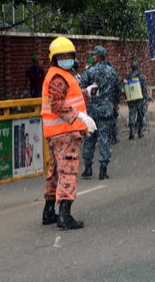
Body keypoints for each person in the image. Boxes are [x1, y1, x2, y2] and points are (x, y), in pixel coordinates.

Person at [41, 36, 97, 230]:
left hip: (56, 133)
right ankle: (65, 215)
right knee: (68, 172)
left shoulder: (59, 75)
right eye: (62, 55)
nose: (66, 58)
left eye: (69, 55)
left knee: (55, 172)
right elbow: (57, 104)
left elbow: (66, 98)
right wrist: (80, 118)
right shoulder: (58, 77)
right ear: (55, 58)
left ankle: (49, 211)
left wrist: (86, 93)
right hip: (66, 133)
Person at [80, 46, 120, 180]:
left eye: (94, 55)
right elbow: (117, 90)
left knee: (89, 137)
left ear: (98, 56)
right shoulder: (112, 72)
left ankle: (88, 168)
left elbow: (81, 88)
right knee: (104, 139)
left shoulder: (90, 71)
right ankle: (103, 169)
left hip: (92, 110)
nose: (93, 57)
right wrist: (114, 104)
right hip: (107, 110)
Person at [125, 60, 149, 140]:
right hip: (140, 99)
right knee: (140, 115)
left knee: (132, 115)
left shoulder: (128, 77)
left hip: (131, 99)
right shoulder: (141, 77)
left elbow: (126, 88)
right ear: (138, 68)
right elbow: (144, 89)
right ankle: (140, 131)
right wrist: (146, 98)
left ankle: (131, 132)